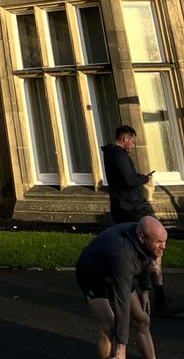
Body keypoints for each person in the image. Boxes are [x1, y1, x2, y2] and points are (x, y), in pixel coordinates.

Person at [75, 216, 167, 359]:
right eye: (159, 242)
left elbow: (147, 260)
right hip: (92, 276)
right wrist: (121, 348)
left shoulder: (146, 238)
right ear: (142, 238)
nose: (164, 246)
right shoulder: (124, 256)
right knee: (109, 327)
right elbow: (122, 305)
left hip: (115, 273)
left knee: (142, 321)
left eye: (165, 241)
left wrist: (144, 290)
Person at [102, 125, 172, 313]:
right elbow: (129, 181)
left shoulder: (109, 155)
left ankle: (130, 294)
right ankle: (158, 298)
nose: (134, 145)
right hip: (132, 209)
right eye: (133, 141)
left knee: (132, 250)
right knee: (155, 248)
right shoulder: (119, 156)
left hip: (122, 208)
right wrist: (143, 179)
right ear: (125, 138)